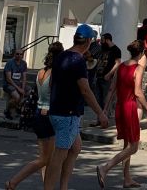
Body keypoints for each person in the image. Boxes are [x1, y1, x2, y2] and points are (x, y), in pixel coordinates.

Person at [43, 24, 109, 190]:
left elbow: (51, 83)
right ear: (87, 41)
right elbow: (86, 90)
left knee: (75, 147)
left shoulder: (62, 56)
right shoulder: (78, 60)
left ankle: (63, 187)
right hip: (68, 113)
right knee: (59, 156)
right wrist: (100, 113)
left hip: (57, 109)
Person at [96, 40, 147, 189]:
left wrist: (104, 110)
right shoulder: (138, 68)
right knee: (133, 147)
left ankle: (127, 178)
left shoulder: (121, 66)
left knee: (126, 145)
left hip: (119, 107)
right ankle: (105, 168)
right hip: (129, 107)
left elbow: (111, 90)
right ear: (141, 53)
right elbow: (137, 92)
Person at [6, 42, 64, 190]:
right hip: (48, 115)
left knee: (45, 158)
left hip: (38, 113)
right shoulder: (56, 73)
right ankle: (13, 182)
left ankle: (47, 186)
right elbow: (55, 95)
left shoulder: (41, 72)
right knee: (45, 159)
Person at [97, 33, 123, 116]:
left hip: (108, 78)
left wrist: (109, 74)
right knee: (98, 99)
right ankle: (100, 117)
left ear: (107, 40)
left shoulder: (116, 50)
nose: (101, 41)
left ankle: (105, 116)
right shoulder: (102, 48)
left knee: (106, 99)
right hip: (99, 76)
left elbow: (118, 63)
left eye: (102, 39)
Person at [4, 50, 28, 120]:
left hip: (18, 84)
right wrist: (19, 89)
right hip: (9, 84)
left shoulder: (24, 63)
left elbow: (24, 77)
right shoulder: (10, 63)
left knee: (29, 92)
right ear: (14, 54)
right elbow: (9, 79)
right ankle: (8, 110)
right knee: (17, 96)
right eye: (17, 54)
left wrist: (23, 89)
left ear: (23, 55)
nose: (19, 55)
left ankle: (17, 108)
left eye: (21, 54)